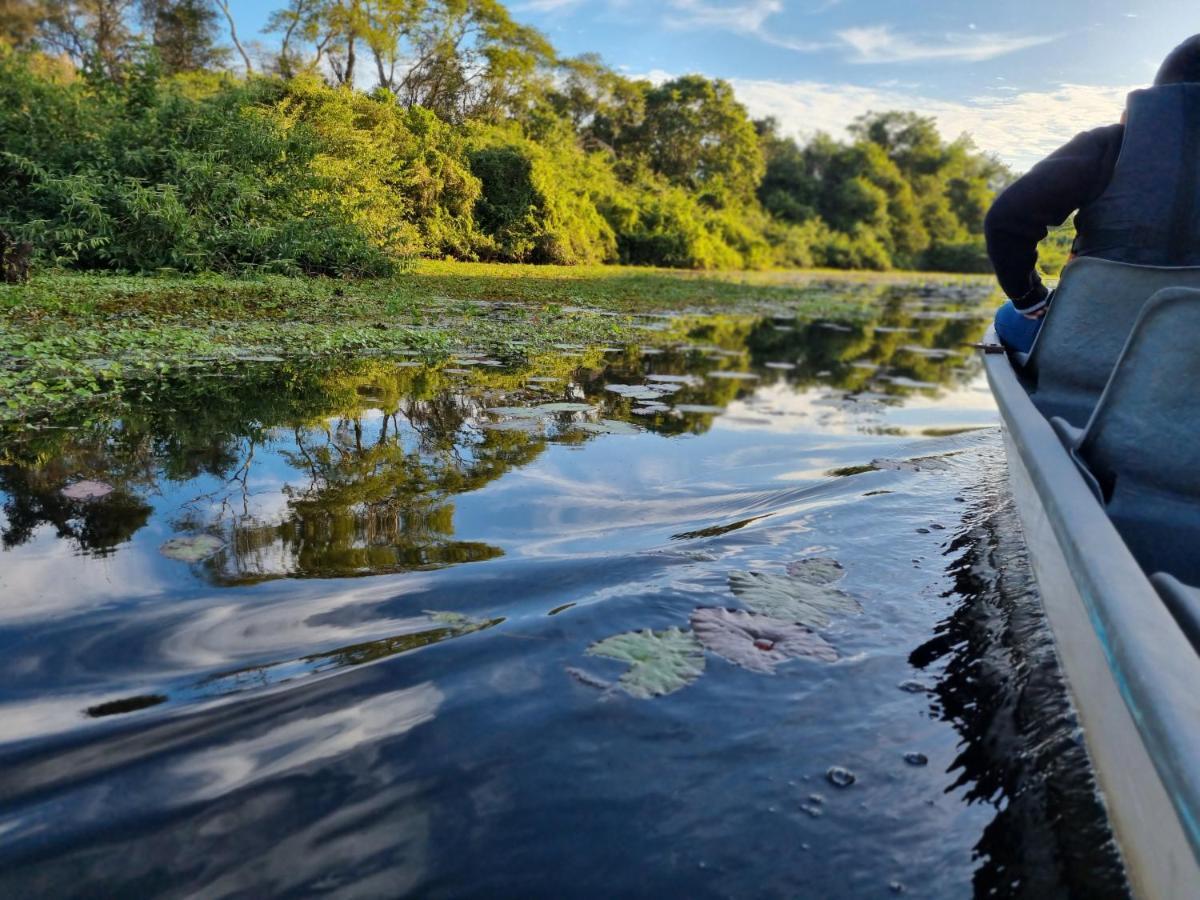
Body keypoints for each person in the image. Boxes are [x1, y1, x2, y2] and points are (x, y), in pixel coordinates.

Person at [984, 34, 1200, 352]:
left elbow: (1005, 219)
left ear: (1159, 96)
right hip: (1190, 346)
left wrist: (1028, 298)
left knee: (1006, 318)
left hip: (1087, 337)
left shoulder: (1109, 144)